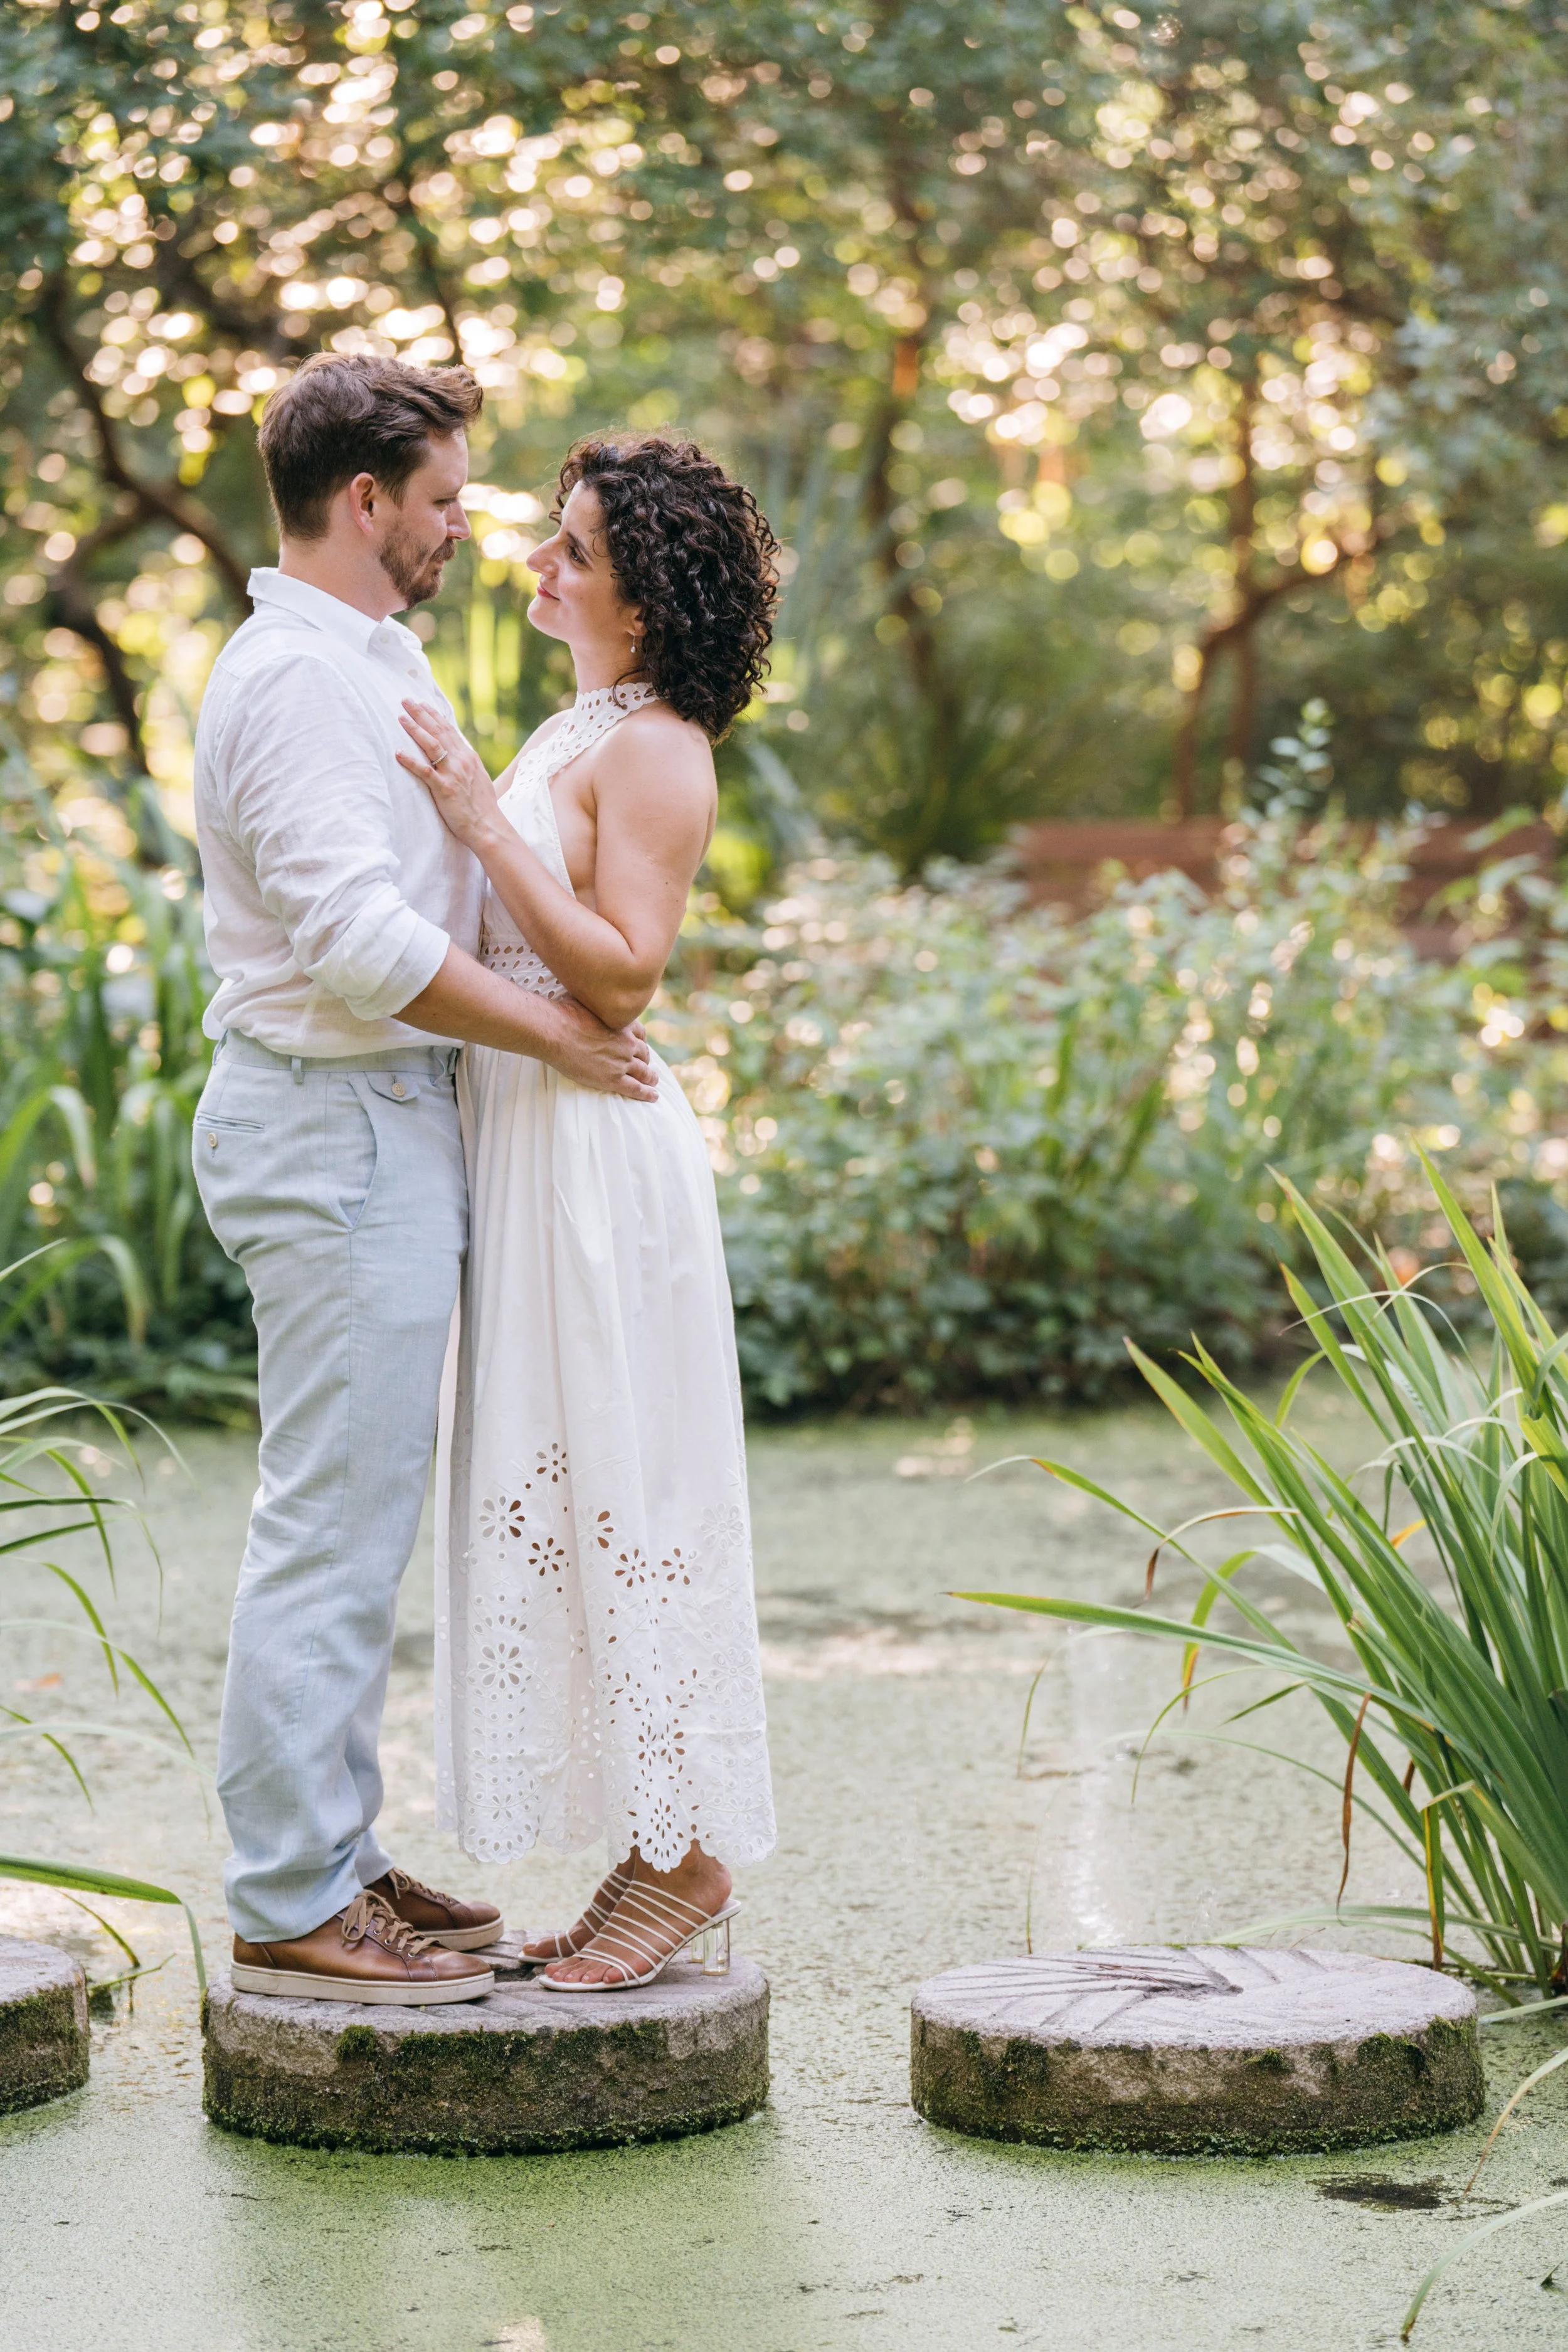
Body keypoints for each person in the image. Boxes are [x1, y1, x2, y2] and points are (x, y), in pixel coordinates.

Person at [191, 353, 657, 2007]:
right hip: (332, 1130)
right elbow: (358, 941)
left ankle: (330, 1847)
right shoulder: (300, 681)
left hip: (373, 1124)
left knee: (355, 1515)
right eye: (450, 498)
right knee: (329, 1525)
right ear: (366, 498)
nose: (470, 528)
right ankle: (291, 1896)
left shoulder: (361, 655)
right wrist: (556, 1032)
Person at [395, 433, 778, 1989]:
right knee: (556, 1489)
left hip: (598, 1159)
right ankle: (645, 1834)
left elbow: (621, 973)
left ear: (644, 592)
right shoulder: (582, 722)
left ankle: (687, 1858)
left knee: (626, 1478)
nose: (539, 568)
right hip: (525, 1139)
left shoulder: (660, 746)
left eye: (573, 552)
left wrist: (482, 822)